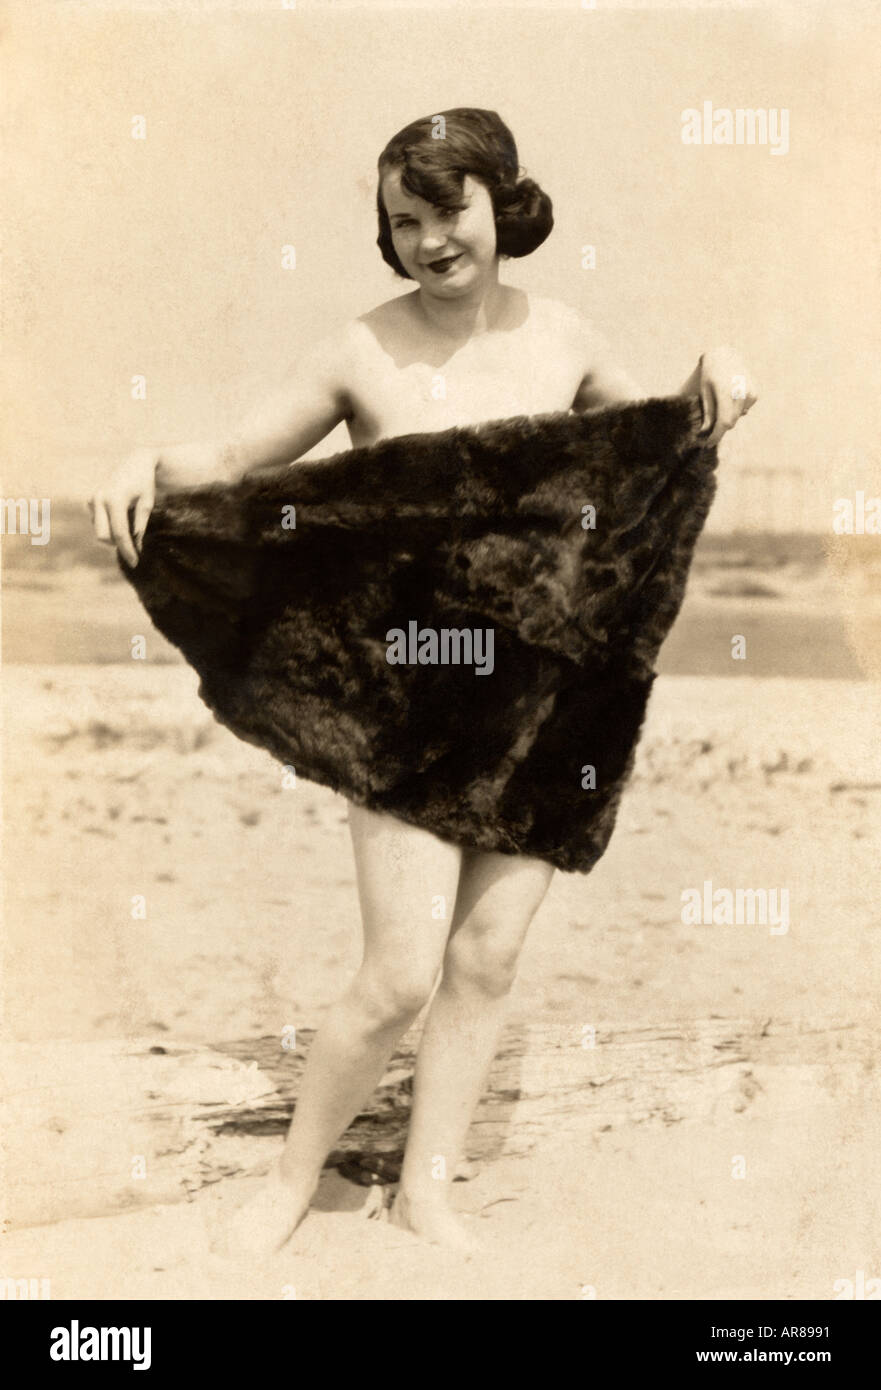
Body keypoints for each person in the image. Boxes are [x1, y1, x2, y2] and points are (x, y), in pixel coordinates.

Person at [90, 107, 756, 1254]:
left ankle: (426, 1187)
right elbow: (235, 463)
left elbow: (657, 449)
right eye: (402, 221)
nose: (428, 239)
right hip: (402, 697)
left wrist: (718, 375)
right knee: (400, 970)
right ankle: (292, 1181)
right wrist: (139, 462)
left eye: (446, 208)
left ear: (501, 201)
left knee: (486, 958)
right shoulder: (358, 349)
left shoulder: (567, 337)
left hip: (544, 702)